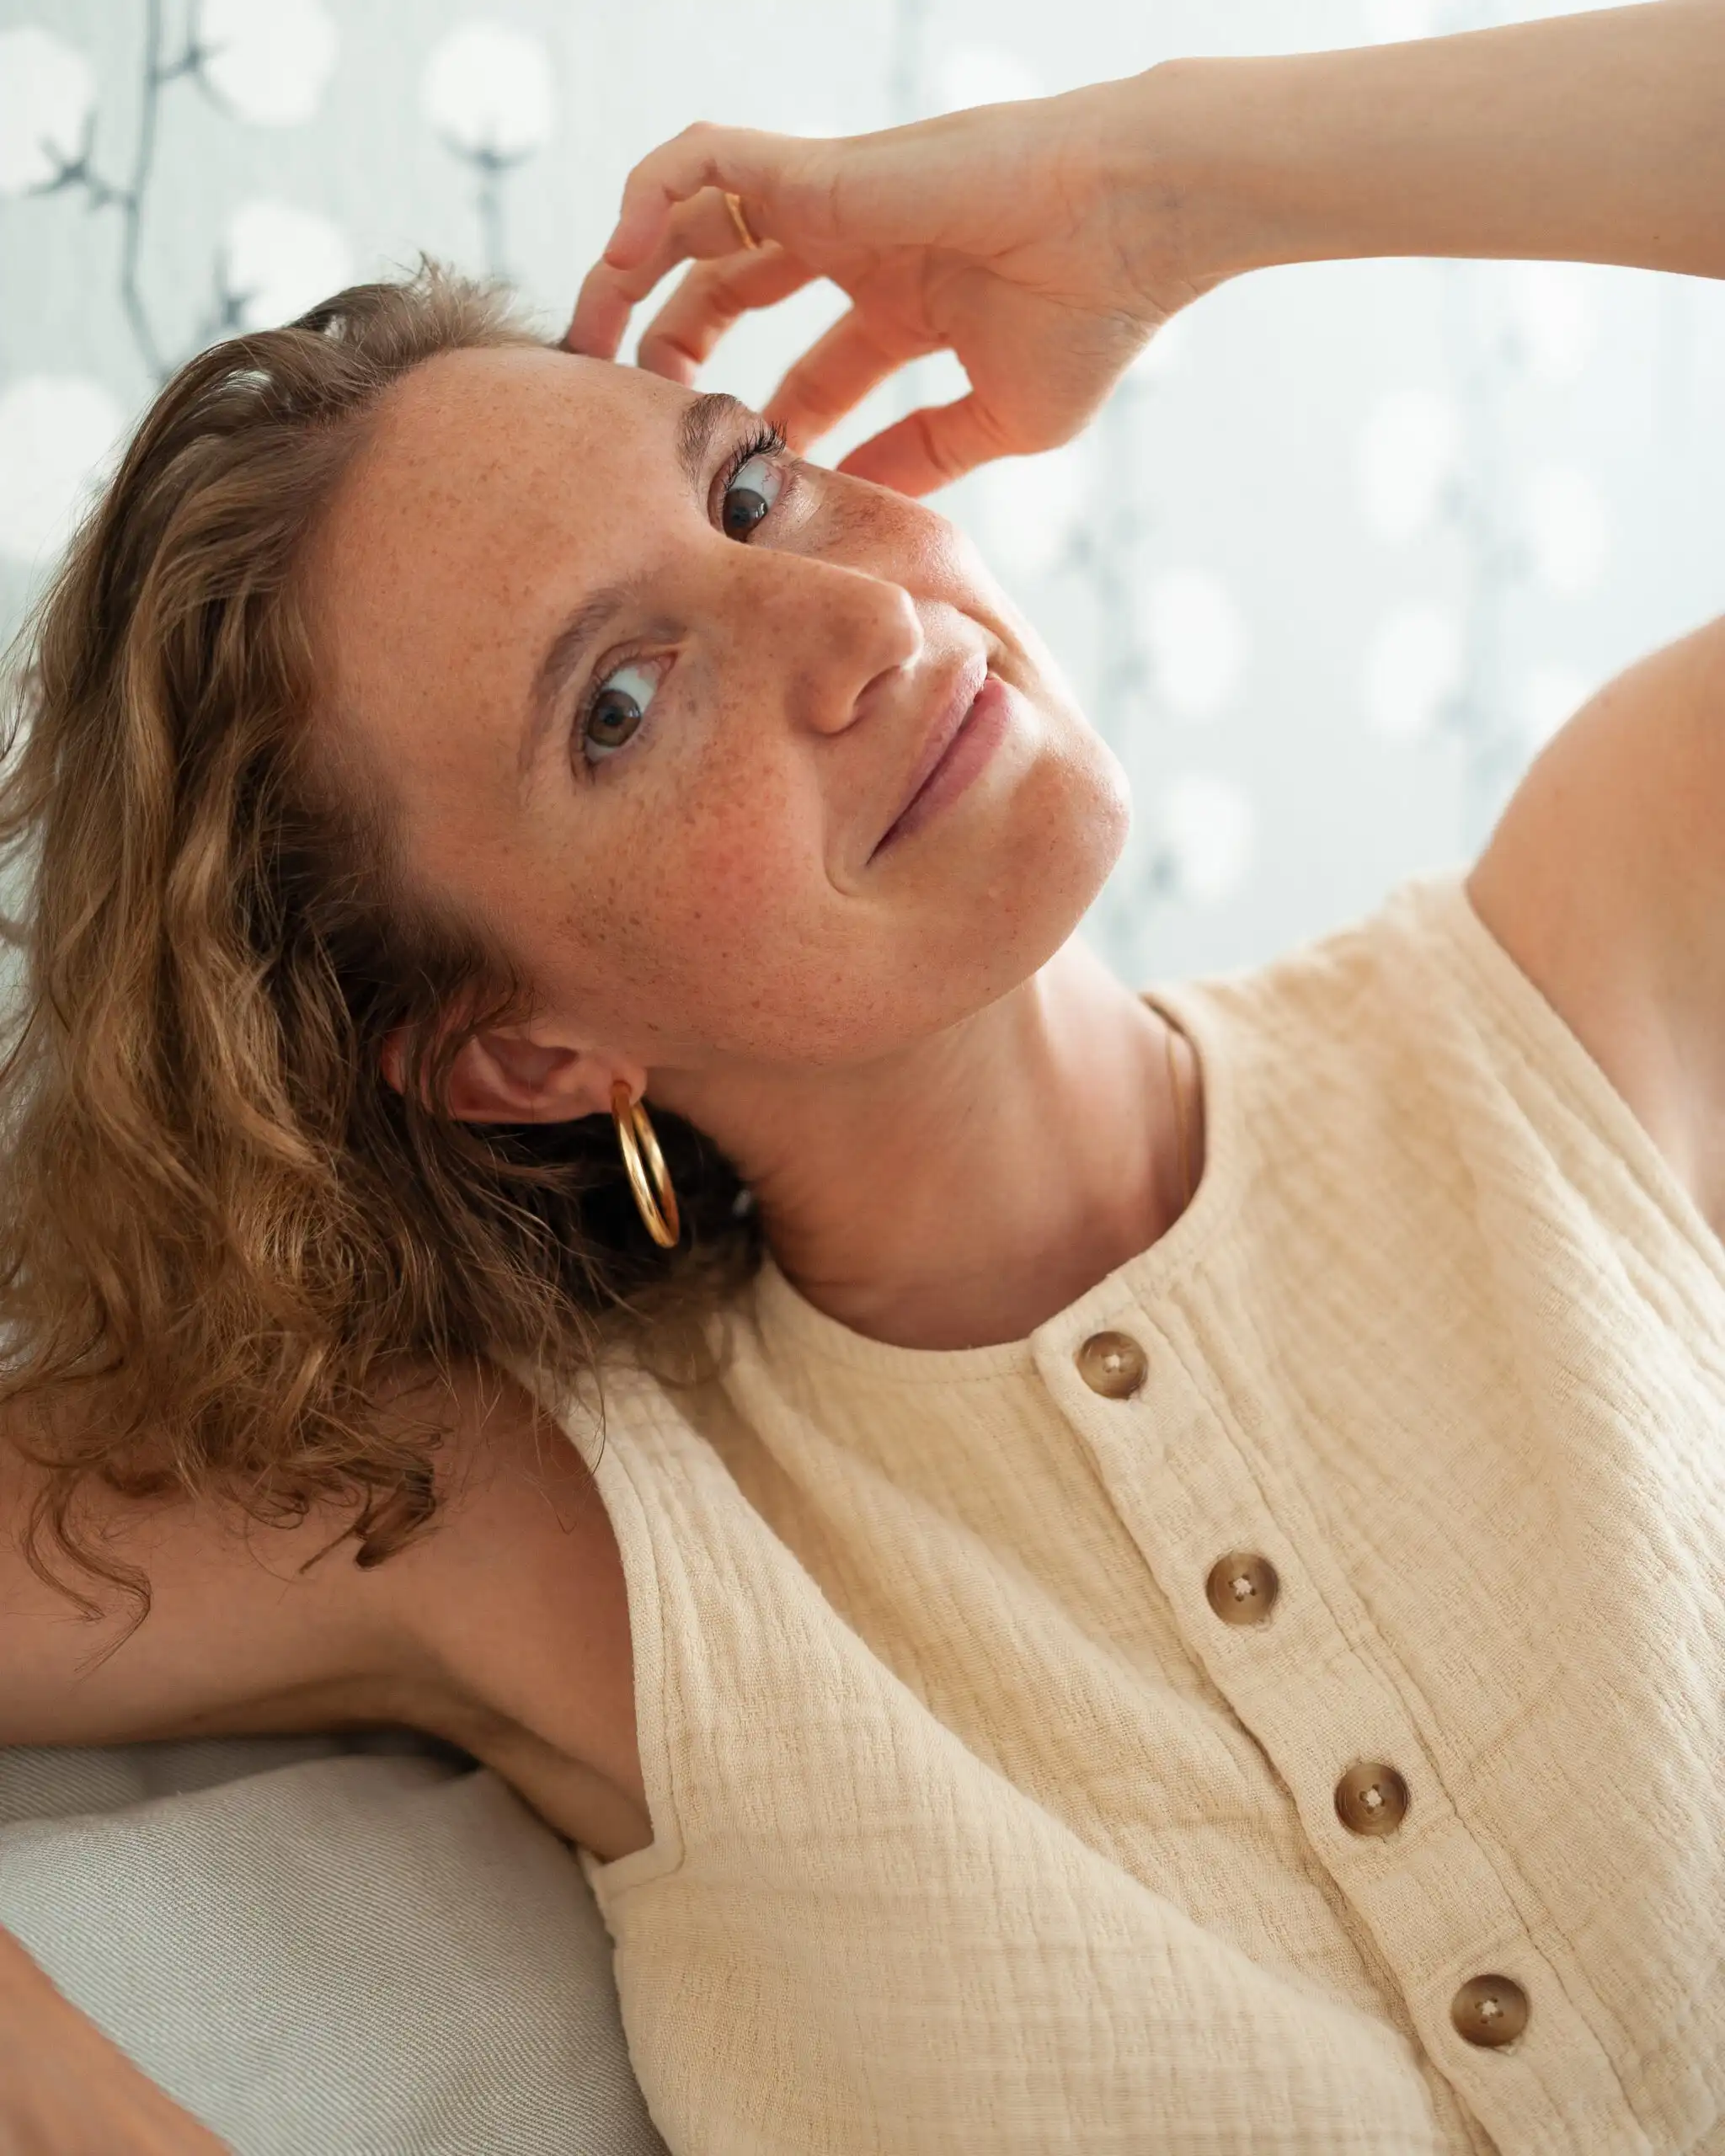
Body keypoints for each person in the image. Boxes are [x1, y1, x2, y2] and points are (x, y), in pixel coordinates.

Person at [3, 3, 1724, 2148]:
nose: (853, 622)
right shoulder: (568, 1528)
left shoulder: (1588, 977)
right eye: (622, 702)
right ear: (520, 1050)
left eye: (750, 484)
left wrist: (1161, 187)